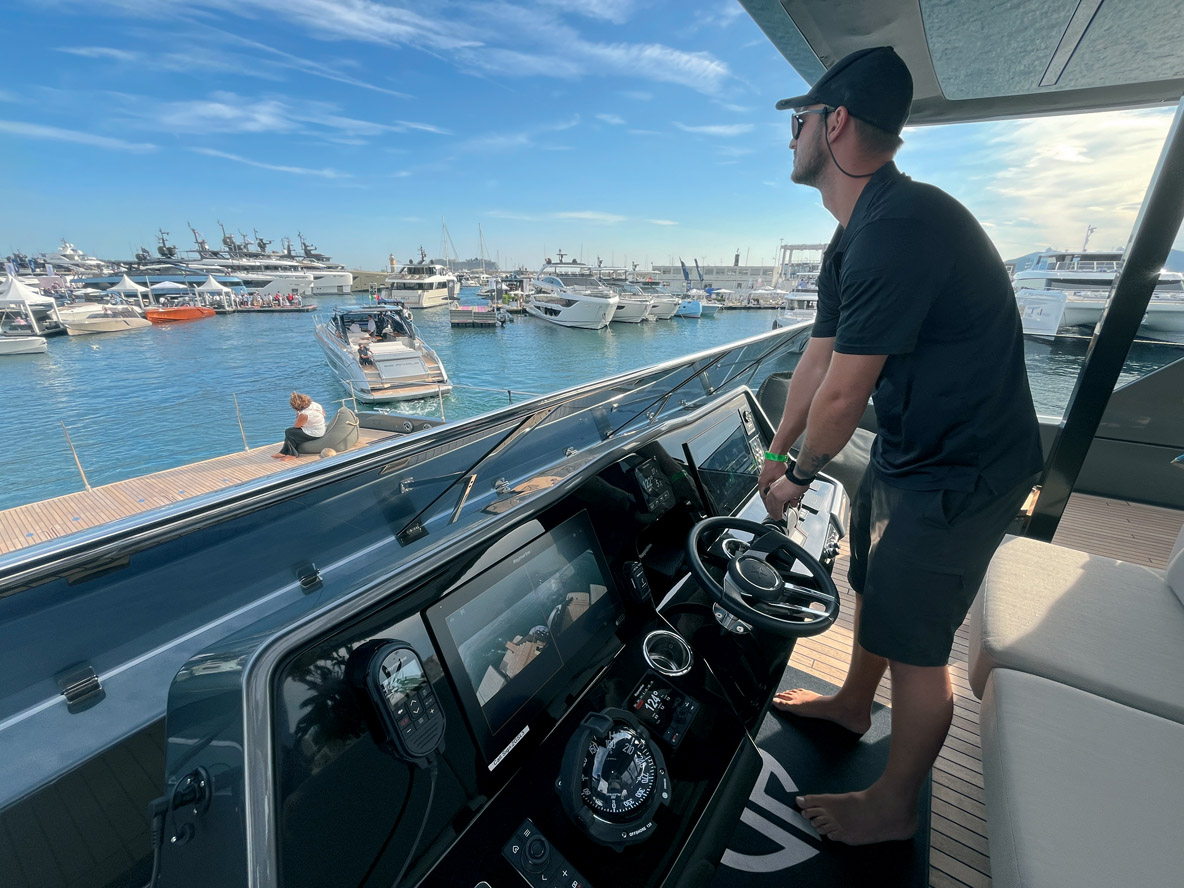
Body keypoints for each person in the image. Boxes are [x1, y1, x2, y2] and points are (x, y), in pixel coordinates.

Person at [759, 46, 1042, 846]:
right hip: (915, 449)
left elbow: (845, 394)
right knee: (877, 587)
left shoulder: (901, 227)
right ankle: (852, 707)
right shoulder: (855, 233)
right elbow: (817, 360)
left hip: (968, 468)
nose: (791, 137)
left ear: (835, 122)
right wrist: (778, 459)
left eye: (799, 120)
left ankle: (893, 807)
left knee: (919, 646)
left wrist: (801, 475)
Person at [272, 392, 326, 460]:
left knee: (289, 432)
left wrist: (298, 416)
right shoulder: (315, 404)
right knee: (291, 432)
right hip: (320, 427)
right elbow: (323, 413)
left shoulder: (304, 414)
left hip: (315, 433)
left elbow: (296, 425)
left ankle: (292, 454)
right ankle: (283, 452)